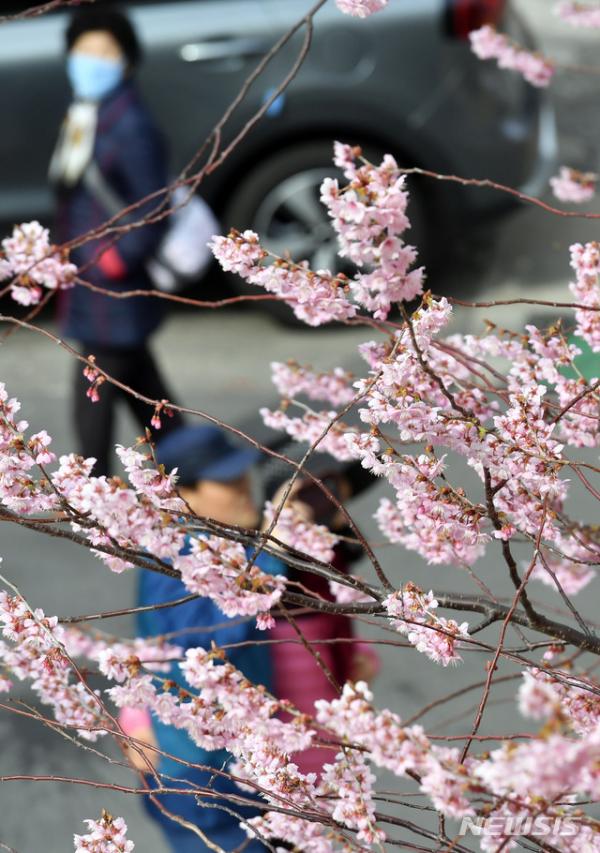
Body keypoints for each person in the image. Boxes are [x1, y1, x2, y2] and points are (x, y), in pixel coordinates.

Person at [123, 425, 286, 853]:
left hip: (241, 757)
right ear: (184, 496)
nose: (243, 489)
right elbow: (212, 639)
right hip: (204, 774)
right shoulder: (174, 558)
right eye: (226, 481)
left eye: (242, 475)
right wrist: (273, 557)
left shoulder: (216, 544)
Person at [50, 5, 182, 477]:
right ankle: (196, 465)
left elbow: (154, 208)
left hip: (113, 282)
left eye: (103, 51)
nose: (90, 61)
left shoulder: (132, 125)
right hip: (93, 280)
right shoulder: (88, 113)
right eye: (82, 51)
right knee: (142, 385)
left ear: (126, 60)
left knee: (97, 387)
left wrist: (114, 261)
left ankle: (94, 483)